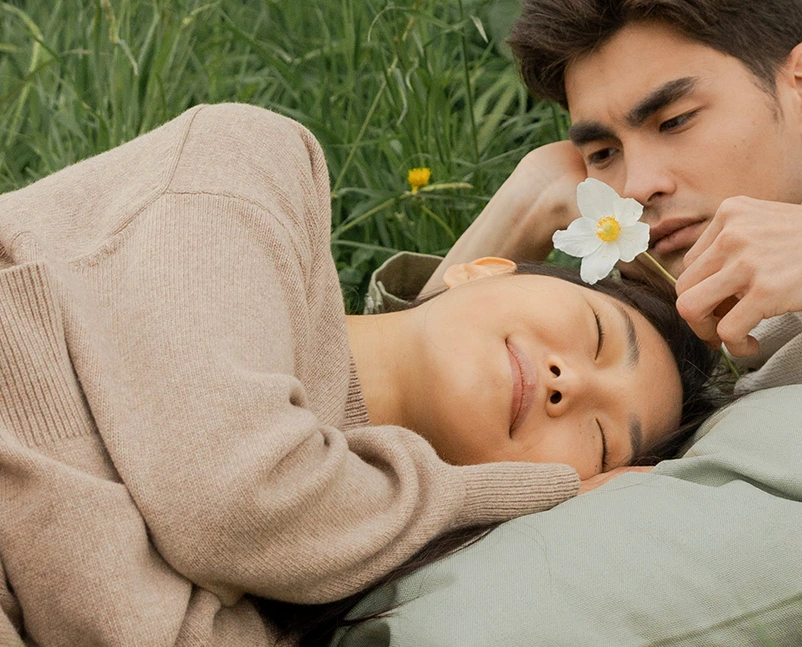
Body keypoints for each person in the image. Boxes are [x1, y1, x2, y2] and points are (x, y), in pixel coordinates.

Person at [0, 103, 720, 645]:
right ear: (483, 268)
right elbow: (232, 500)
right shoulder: (251, 170)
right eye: (594, 335)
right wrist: (553, 483)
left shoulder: (322, 577)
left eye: (597, 440)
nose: (570, 385)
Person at [368, 0, 802, 612]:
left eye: (675, 120)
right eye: (602, 154)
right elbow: (355, 421)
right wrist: (527, 203)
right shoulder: (628, 398)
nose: (633, 186)